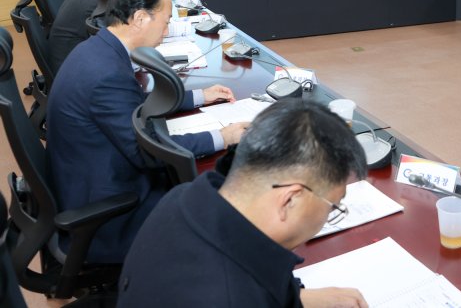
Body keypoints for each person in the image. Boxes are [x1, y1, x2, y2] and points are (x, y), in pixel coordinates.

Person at [46, 0, 248, 263]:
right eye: (165, 22)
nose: (166, 31)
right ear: (140, 18)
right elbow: (149, 152)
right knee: (217, 199)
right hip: (110, 213)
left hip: (87, 176)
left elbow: (130, 102)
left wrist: (199, 96)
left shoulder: (99, 49)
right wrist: (223, 137)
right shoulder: (106, 74)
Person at [118, 99, 368, 307]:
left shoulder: (182, 197)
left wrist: (299, 299)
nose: (328, 216)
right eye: (332, 206)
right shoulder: (230, 296)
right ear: (291, 199)